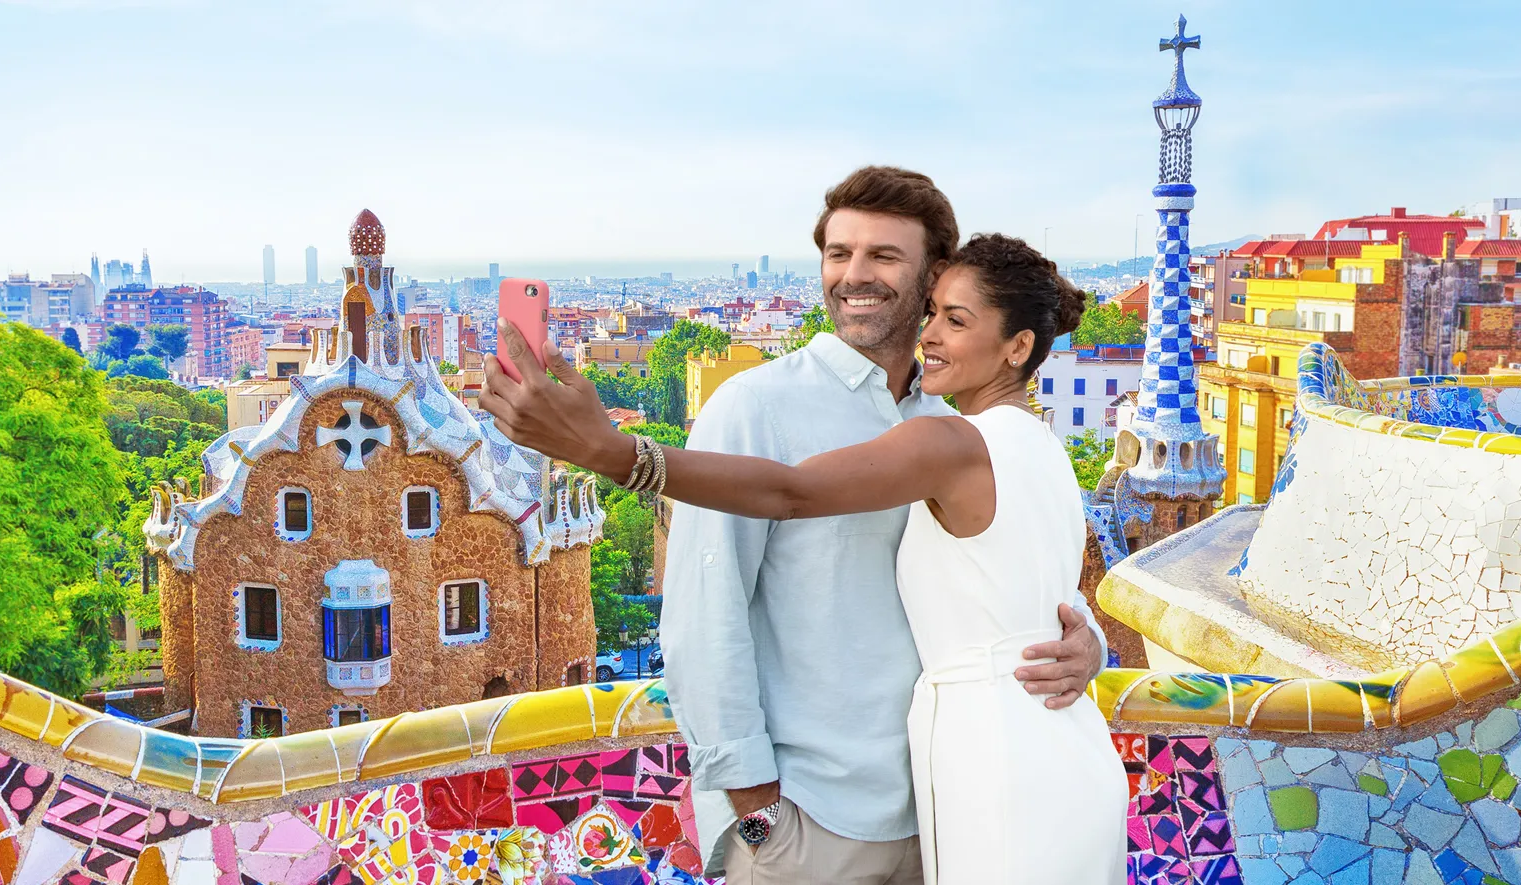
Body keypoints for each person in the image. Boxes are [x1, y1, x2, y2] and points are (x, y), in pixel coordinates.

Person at [479, 167, 1122, 884]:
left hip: (950, 810)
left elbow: (1020, 580)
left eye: (883, 255)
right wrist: (759, 823)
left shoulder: (956, 427)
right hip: (815, 828)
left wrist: (1085, 641)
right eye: (838, 253)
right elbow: (700, 622)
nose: (854, 275)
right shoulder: (754, 407)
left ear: (934, 274)